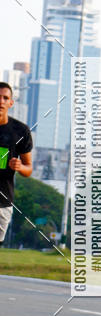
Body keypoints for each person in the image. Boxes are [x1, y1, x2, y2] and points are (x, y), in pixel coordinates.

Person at [0, 82, 33, 245]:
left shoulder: (20, 131)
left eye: (5, 98)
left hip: (2, 201)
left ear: (11, 103)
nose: (1, 101)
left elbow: (29, 169)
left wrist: (20, 167)